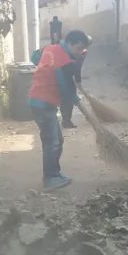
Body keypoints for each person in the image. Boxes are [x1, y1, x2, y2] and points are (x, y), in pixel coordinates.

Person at [28, 29, 91, 190]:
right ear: (70, 43)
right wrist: (75, 99)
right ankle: (50, 178)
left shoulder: (52, 49)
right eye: (78, 48)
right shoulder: (62, 57)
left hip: (40, 101)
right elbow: (65, 85)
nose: (79, 53)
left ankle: (55, 174)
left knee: (56, 140)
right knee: (52, 142)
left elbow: (34, 57)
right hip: (43, 102)